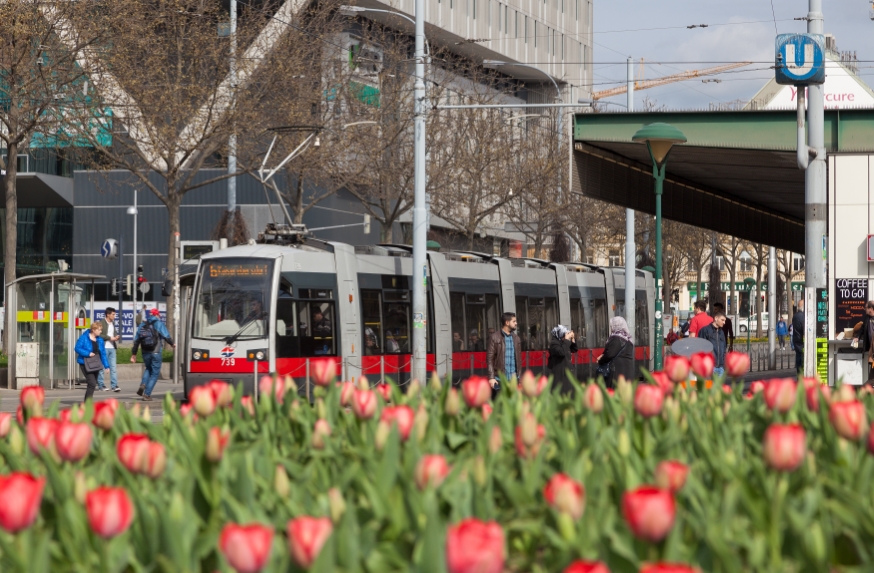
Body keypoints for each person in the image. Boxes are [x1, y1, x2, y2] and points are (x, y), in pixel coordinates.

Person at [131, 308, 175, 401]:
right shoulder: (158, 324)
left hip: (145, 352)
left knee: (148, 368)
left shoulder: (143, 324)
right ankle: (147, 394)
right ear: (156, 315)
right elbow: (166, 335)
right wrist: (172, 344)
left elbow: (137, 340)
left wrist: (134, 353)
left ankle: (143, 384)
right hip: (156, 351)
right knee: (155, 373)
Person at [74, 322, 110, 402]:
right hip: (85, 363)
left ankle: (87, 402)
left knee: (92, 385)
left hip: (95, 363)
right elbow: (77, 348)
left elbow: (103, 353)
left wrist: (106, 366)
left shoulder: (100, 340)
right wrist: (88, 353)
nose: (100, 331)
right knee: (92, 383)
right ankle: (87, 404)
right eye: (99, 330)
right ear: (93, 330)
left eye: (101, 330)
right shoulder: (84, 338)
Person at [487, 312, 521, 391]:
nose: (516, 323)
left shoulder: (517, 339)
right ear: (507, 322)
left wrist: (519, 378)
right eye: (514, 321)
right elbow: (489, 359)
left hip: (514, 380)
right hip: (499, 379)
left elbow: (519, 360)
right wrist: (491, 377)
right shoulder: (494, 337)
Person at [597, 316, 635, 386]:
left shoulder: (617, 338)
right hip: (627, 371)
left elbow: (610, 354)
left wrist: (601, 360)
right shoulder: (628, 338)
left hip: (617, 372)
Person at [547, 325, 578, 394]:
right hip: (560, 374)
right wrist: (566, 340)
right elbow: (562, 352)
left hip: (566, 372)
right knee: (561, 393)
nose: (565, 337)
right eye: (564, 334)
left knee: (569, 393)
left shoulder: (563, 342)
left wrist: (572, 339)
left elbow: (574, 349)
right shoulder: (554, 343)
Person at [96, 307, 122, 392]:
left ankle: (114, 385)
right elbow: (99, 335)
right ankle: (101, 385)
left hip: (112, 348)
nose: (115, 316)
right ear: (108, 314)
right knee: (102, 367)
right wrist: (110, 338)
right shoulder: (101, 322)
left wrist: (116, 337)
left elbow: (114, 333)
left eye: (115, 314)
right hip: (103, 348)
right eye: (113, 314)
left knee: (113, 368)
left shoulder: (112, 323)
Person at [698, 312, 727, 377]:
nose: (724, 322)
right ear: (716, 318)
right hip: (709, 367)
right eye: (722, 320)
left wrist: (723, 365)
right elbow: (700, 349)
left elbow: (724, 349)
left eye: (725, 320)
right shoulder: (705, 330)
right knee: (708, 386)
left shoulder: (721, 332)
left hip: (720, 367)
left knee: (718, 387)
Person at [852, 301, 874, 381]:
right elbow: (862, 329)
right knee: (871, 368)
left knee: (872, 374)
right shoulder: (866, 318)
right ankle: (870, 386)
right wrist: (858, 337)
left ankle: (870, 386)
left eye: (866, 308)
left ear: (871, 309)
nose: (865, 309)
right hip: (871, 349)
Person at [792, 301, 805, 372]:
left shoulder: (795, 316)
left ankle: (799, 375)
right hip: (801, 341)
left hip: (796, 340)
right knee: (802, 360)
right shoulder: (803, 316)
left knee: (798, 359)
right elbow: (804, 329)